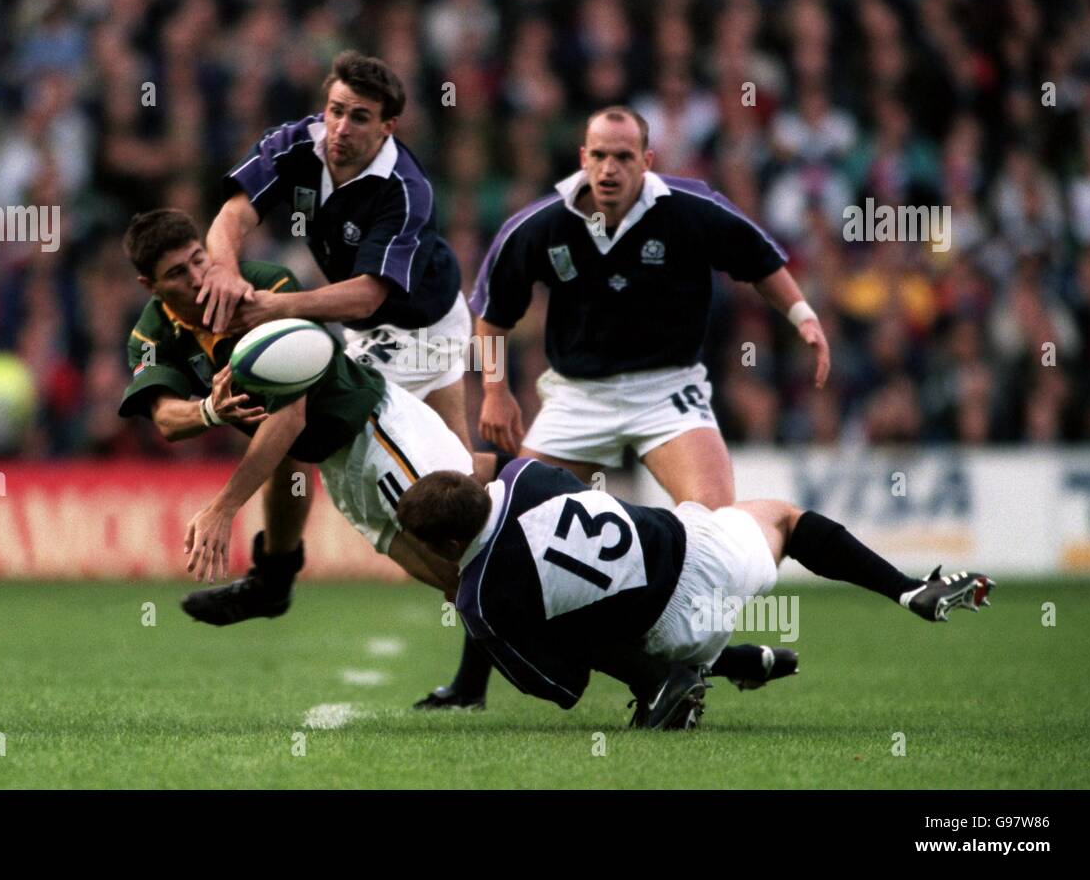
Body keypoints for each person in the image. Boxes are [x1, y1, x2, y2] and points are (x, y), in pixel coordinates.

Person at [418, 105, 833, 709]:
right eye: (599, 155)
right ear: (581, 157)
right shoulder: (541, 224)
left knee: (718, 532)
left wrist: (804, 317)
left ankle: (709, 657)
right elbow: (493, 314)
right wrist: (498, 391)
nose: (609, 167)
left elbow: (759, 260)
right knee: (506, 529)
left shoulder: (690, 209)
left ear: (648, 162)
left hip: (667, 392)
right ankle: (467, 688)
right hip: (575, 397)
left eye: (623, 156)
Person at [395, 458, 994, 729]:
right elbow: (489, 463)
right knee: (784, 518)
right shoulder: (524, 475)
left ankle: (678, 677)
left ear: (448, 547)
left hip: (668, 634)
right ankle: (907, 588)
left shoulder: (480, 603)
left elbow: (564, 689)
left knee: (565, 622)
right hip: (705, 553)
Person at [116, 209, 484, 620]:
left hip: (373, 427)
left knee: (471, 564)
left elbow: (289, 417)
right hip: (336, 468)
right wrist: (208, 411)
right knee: (458, 586)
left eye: (199, 259)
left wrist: (223, 508)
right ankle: (273, 583)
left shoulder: (263, 286)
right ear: (150, 286)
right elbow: (165, 418)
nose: (197, 278)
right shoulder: (150, 336)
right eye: (177, 273)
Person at [199, 50, 473, 447]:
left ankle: (223, 511)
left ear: (387, 127)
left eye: (359, 117)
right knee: (457, 469)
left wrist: (276, 307)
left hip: (421, 327)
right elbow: (232, 216)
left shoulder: (407, 189)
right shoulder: (293, 145)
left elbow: (366, 297)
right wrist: (224, 269)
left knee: (344, 432)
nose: (341, 128)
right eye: (335, 111)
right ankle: (524, 490)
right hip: (364, 327)